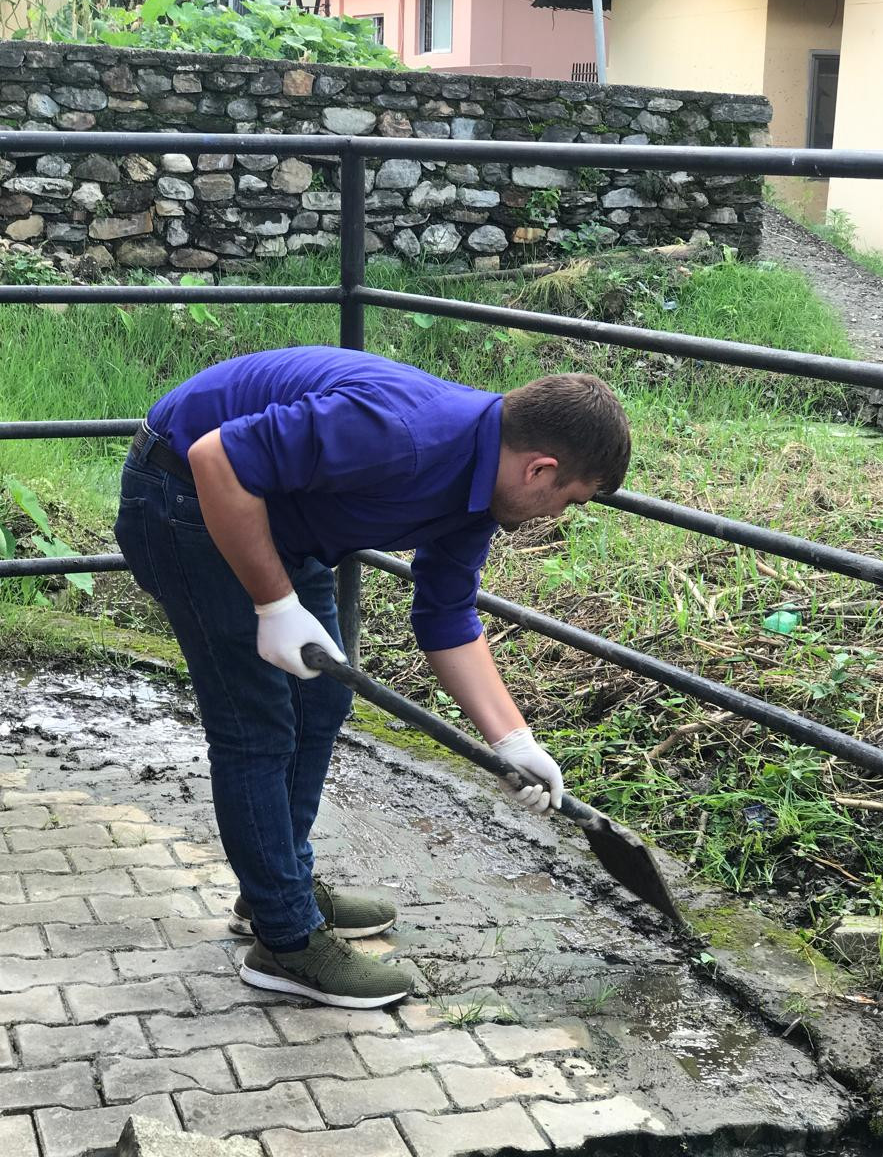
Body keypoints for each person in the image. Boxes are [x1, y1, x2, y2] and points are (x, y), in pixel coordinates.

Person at [115, 345, 630, 1010]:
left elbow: (446, 616)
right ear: (541, 468)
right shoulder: (404, 435)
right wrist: (274, 605)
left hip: (270, 512)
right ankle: (286, 941)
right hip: (185, 491)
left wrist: (513, 741)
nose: (556, 517)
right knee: (257, 725)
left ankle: (277, 887)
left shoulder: (480, 491)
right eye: (568, 502)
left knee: (322, 697)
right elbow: (218, 458)